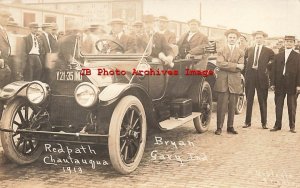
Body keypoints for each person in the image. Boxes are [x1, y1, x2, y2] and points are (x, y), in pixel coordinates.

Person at [214, 29, 244, 135]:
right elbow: (220, 63)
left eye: (234, 38)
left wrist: (227, 65)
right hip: (223, 81)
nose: (232, 39)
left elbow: (242, 67)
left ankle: (230, 126)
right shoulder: (221, 50)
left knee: (232, 105)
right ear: (227, 38)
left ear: (236, 39)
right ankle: (219, 127)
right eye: (230, 37)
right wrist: (235, 65)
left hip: (235, 81)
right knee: (221, 105)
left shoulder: (241, 52)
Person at [243, 31, 274, 129]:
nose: (259, 39)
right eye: (257, 38)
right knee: (249, 100)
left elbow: (274, 62)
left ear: (264, 39)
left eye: (260, 37)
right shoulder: (249, 50)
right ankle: (247, 122)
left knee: (262, 100)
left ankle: (264, 123)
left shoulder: (269, 51)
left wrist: (265, 67)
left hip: (262, 78)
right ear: (254, 39)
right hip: (250, 77)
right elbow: (244, 61)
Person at [270, 35, 300, 133]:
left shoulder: (298, 56)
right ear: (284, 42)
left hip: (292, 84)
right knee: (278, 105)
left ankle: (292, 126)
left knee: (291, 106)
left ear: (294, 43)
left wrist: (298, 85)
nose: (289, 43)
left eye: (291, 41)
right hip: (279, 83)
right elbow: (273, 70)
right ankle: (277, 125)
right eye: (287, 41)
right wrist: (273, 83)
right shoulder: (278, 55)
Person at [0, 10, 12, 119]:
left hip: (5, 64)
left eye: (7, 17)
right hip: (1, 63)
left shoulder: (3, 30)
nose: (7, 19)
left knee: (2, 91)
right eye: (5, 17)